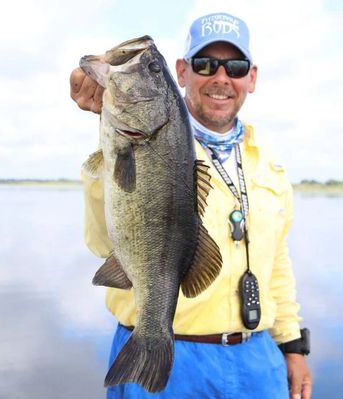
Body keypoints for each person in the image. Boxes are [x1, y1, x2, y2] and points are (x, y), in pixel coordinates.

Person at [70, 12, 312, 399]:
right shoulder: (126, 143)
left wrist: (293, 345)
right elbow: (103, 244)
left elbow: (278, 264)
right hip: (165, 352)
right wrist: (108, 132)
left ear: (251, 77)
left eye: (235, 66)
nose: (220, 77)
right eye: (205, 64)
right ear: (182, 72)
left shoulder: (270, 165)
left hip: (257, 361)